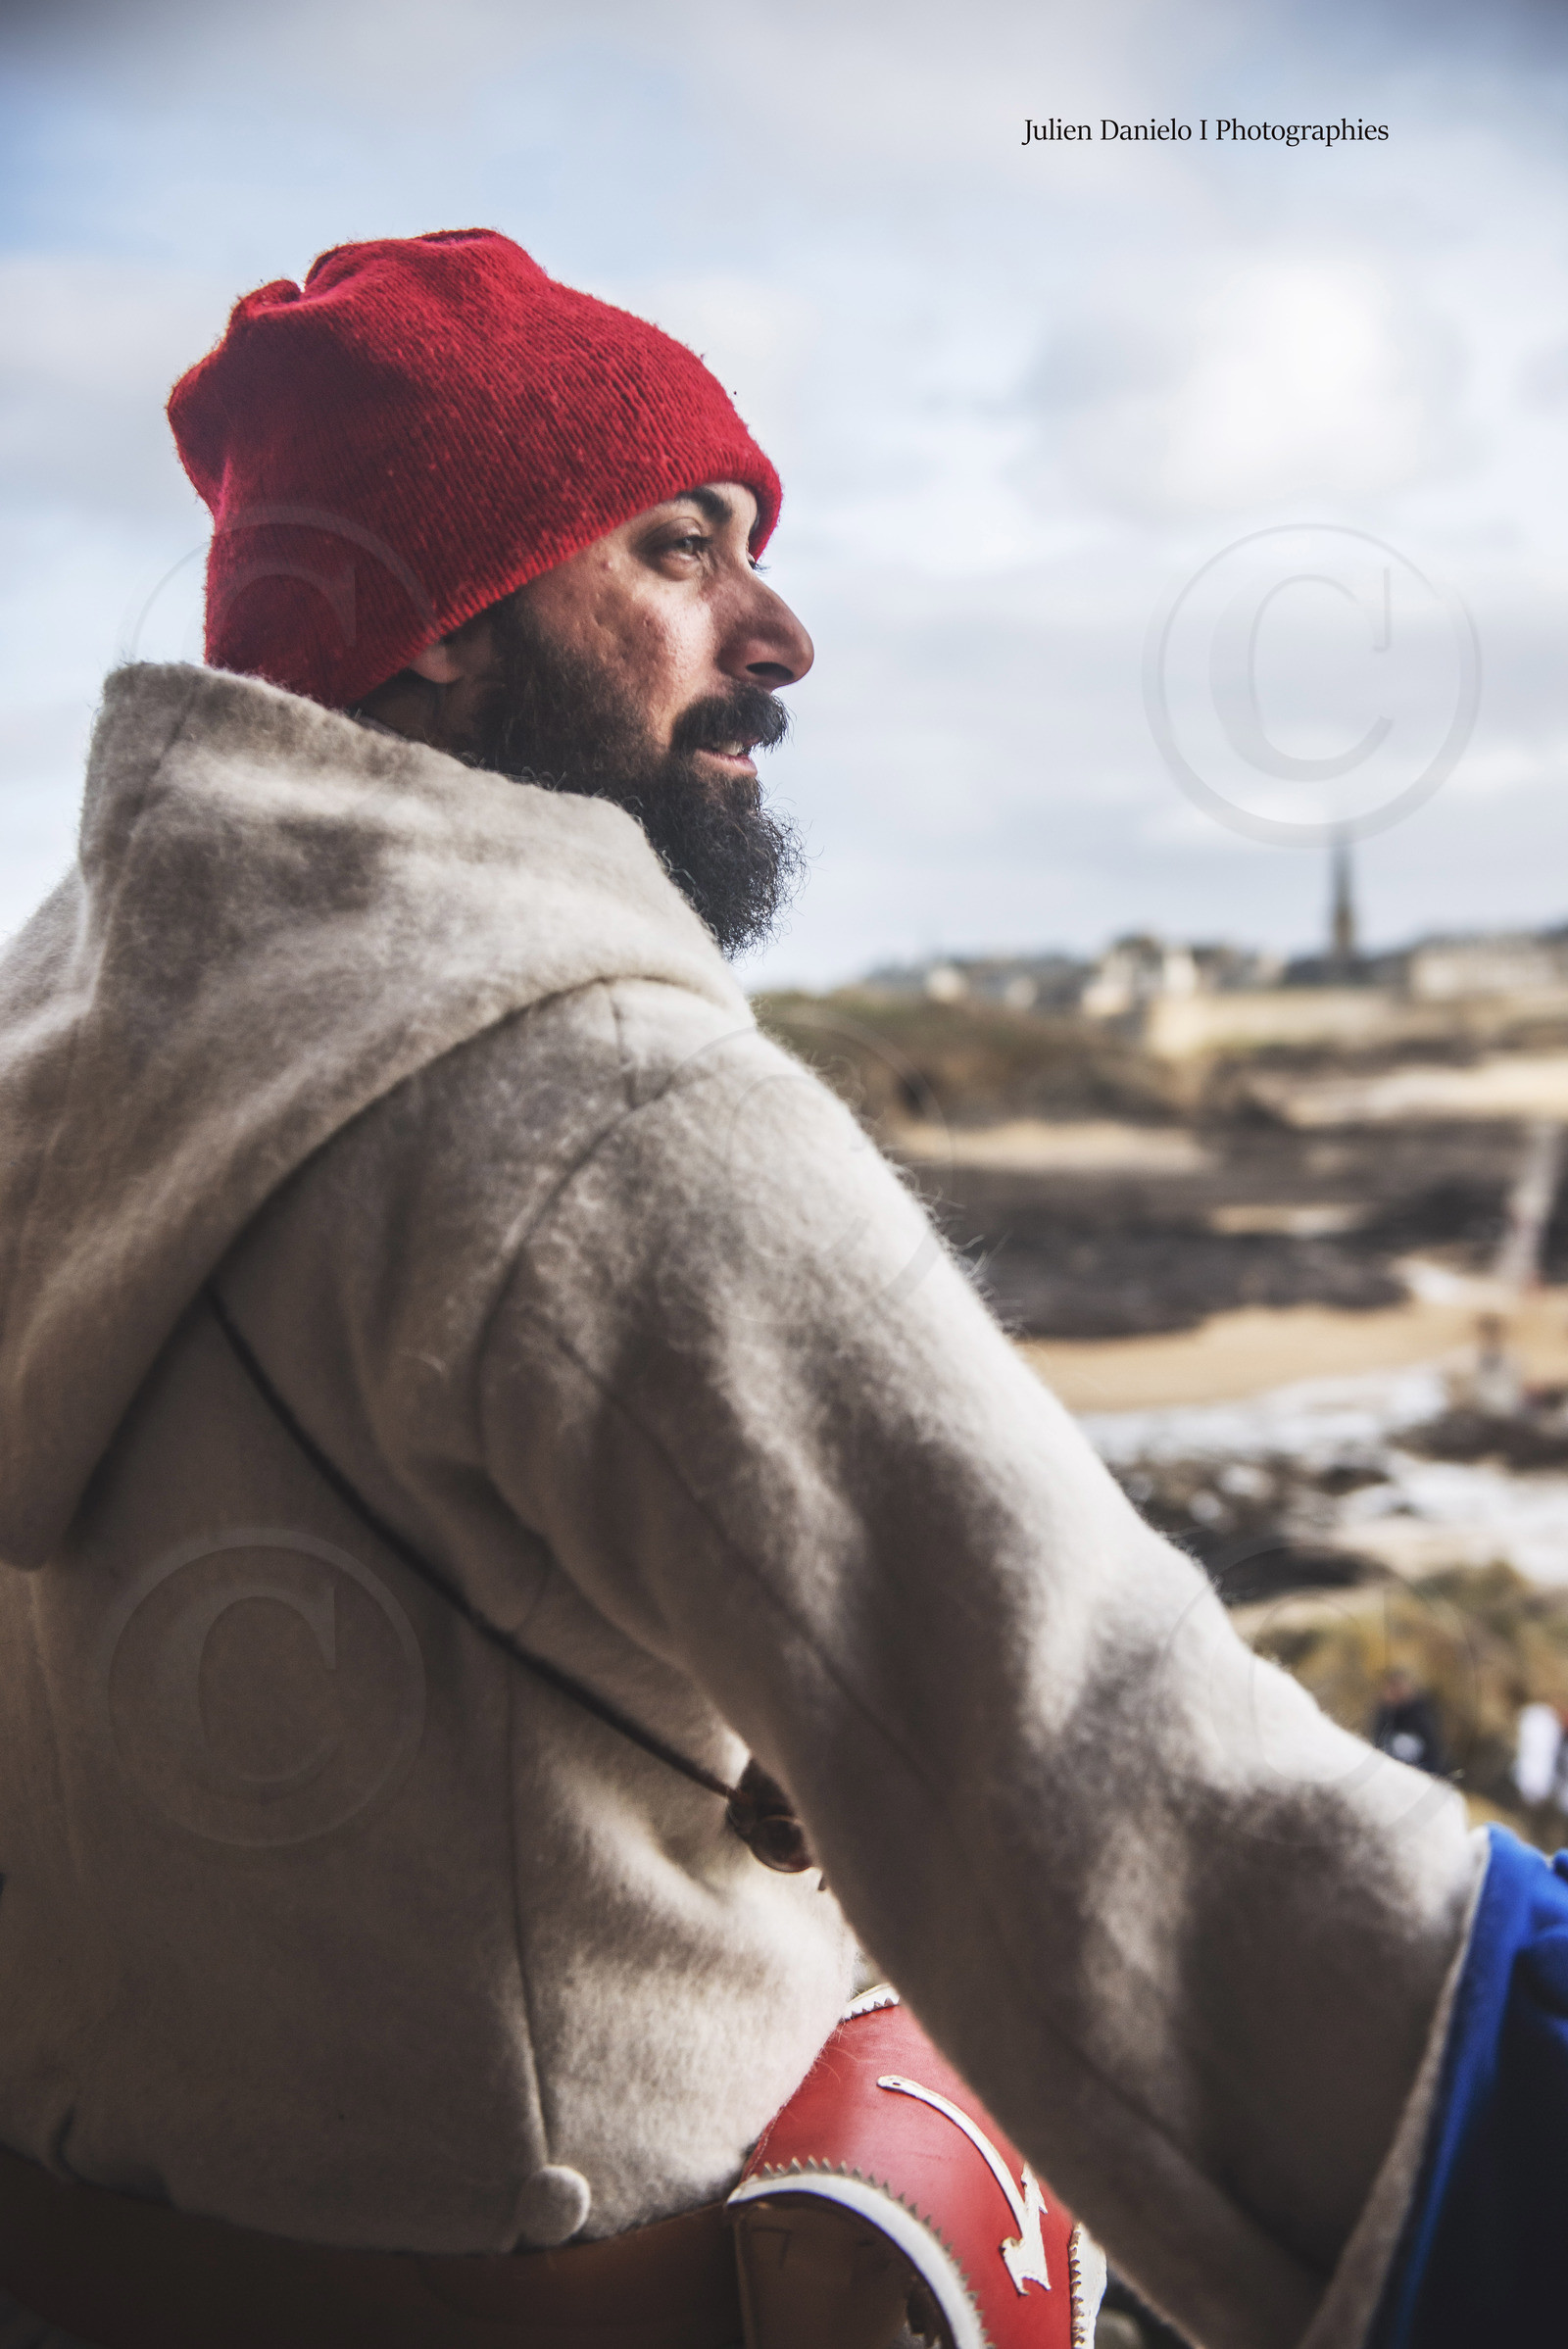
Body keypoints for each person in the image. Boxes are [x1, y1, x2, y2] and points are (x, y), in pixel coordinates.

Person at [0, 229, 1561, 2349]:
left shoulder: (63, 1054)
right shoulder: (590, 1102)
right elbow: (1105, 1775)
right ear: (435, 623)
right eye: (677, 547)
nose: (782, 630)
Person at [1371, 1667, 1449, 1780]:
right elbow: (1378, 1744)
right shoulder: (1384, 1715)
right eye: (1391, 1688)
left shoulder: (1421, 1715)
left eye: (1399, 1687)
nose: (1395, 1693)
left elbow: (1434, 1753)